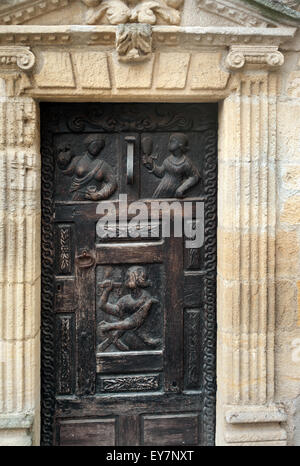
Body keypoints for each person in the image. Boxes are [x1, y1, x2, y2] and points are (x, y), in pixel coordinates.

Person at [98, 266, 159, 352]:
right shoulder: (125, 299)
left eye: (129, 276)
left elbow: (133, 322)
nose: (126, 278)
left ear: (138, 278)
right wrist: (107, 291)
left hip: (144, 346)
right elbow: (103, 306)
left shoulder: (146, 298)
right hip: (128, 348)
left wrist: (109, 326)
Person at [56, 135, 117, 201]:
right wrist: (62, 157)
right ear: (88, 145)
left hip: (95, 199)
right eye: (94, 145)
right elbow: (65, 170)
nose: (96, 148)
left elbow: (112, 182)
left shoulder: (103, 165)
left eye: (99, 146)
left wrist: (99, 194)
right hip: (77, 198)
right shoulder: (77, 161)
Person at [143, 132, 200, 198]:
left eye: (172, 141)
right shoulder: (167, 160)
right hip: (162, 189)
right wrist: (151, 165)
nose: (169, 143)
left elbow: (195, 176)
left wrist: (181, 189)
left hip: (174, 191)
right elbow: (161, 173)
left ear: (180, 144)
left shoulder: (185, 162)